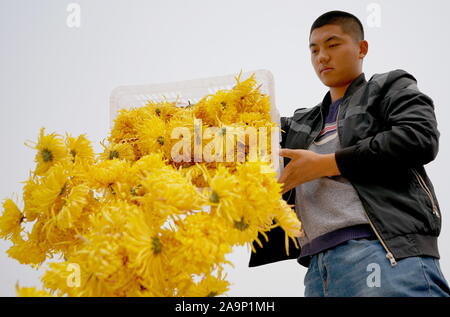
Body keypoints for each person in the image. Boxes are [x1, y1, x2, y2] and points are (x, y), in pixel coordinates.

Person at [248, 10, 450, 297]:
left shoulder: (387, 87)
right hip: (318, 271)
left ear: (361, 48)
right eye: (314, 50)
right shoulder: (300, 123)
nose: (322, 57)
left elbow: (418, 138)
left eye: (332, 45)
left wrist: (327, 164)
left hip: (383, 255)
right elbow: (237, 140)